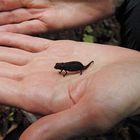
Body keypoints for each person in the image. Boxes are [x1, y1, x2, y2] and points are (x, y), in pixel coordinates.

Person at [0, 0, 139, 140]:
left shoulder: (65, 68)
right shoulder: (63, 66)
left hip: (80, 66)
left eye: (58, 67)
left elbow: (71, 68)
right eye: (58, 67)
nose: (58, 68)